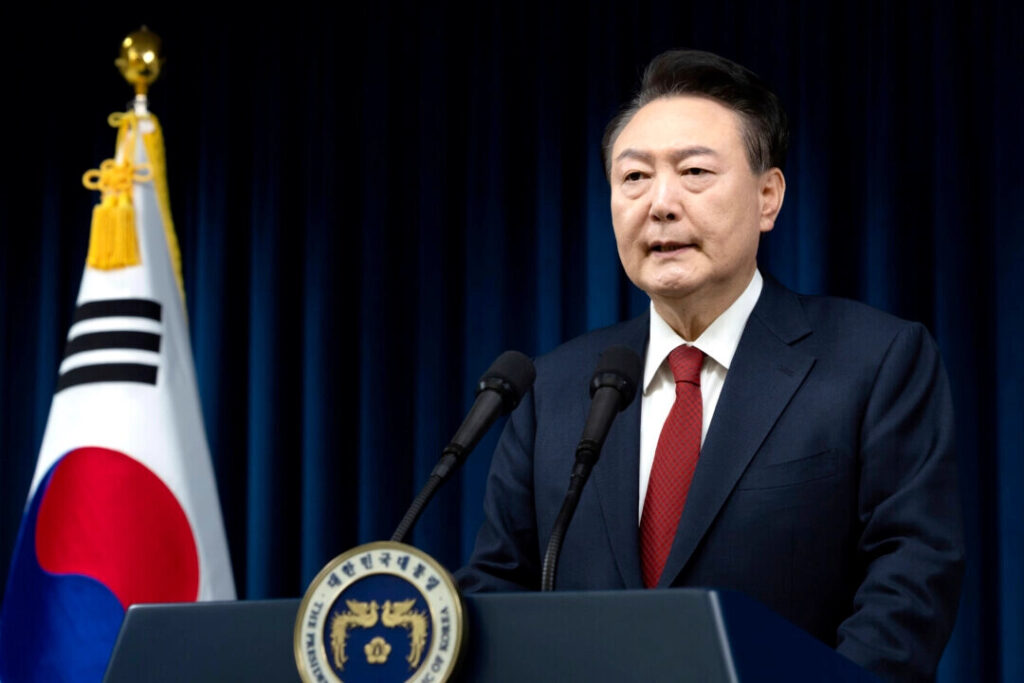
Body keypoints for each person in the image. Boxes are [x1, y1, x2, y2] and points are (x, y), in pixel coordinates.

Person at [456, 49, 964, 682]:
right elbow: (497, 590)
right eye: (634, 177)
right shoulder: (553, 389)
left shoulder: (875, 360)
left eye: (694, 171)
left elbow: (909, 581)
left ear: (768, 197)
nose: (660, 204)